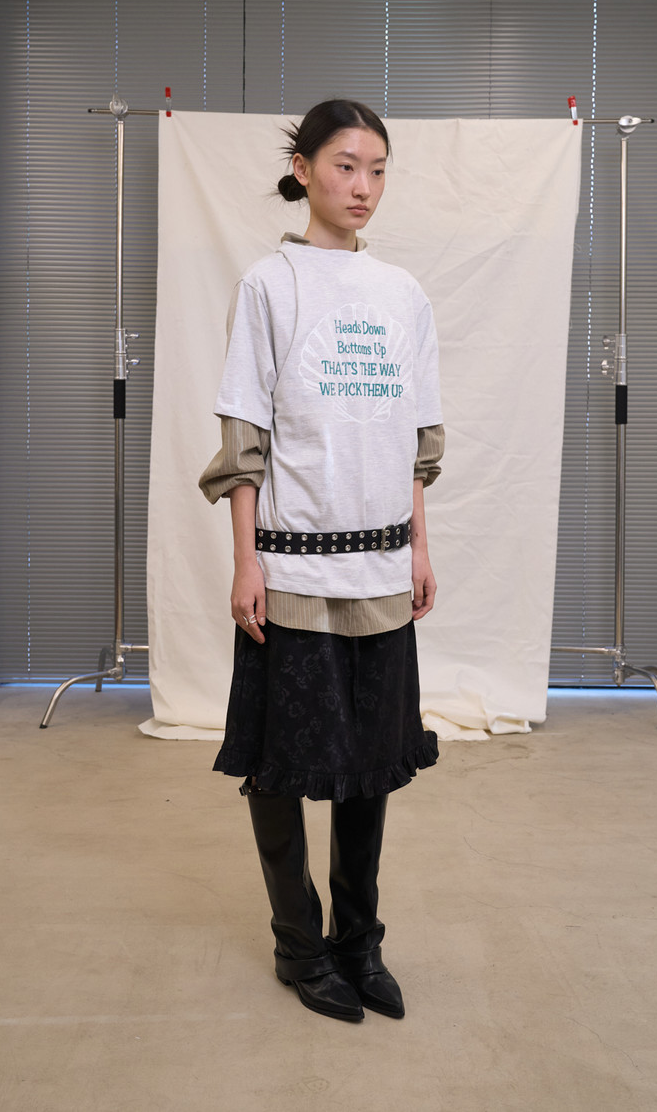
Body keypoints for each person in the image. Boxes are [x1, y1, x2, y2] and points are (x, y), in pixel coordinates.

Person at [200, 99, 444, 1023]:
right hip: (294, 571)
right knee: (281, 761)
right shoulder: (270, 285)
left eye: (377, 169)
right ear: (303, 169)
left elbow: (415, 438)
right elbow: (245, 439)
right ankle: (299, 945)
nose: (363, 186)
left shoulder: (403, 294)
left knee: (370, 763)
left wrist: (419, 544)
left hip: (381, 569)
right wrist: (246, 562)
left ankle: (358, 942)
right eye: (346, 165)